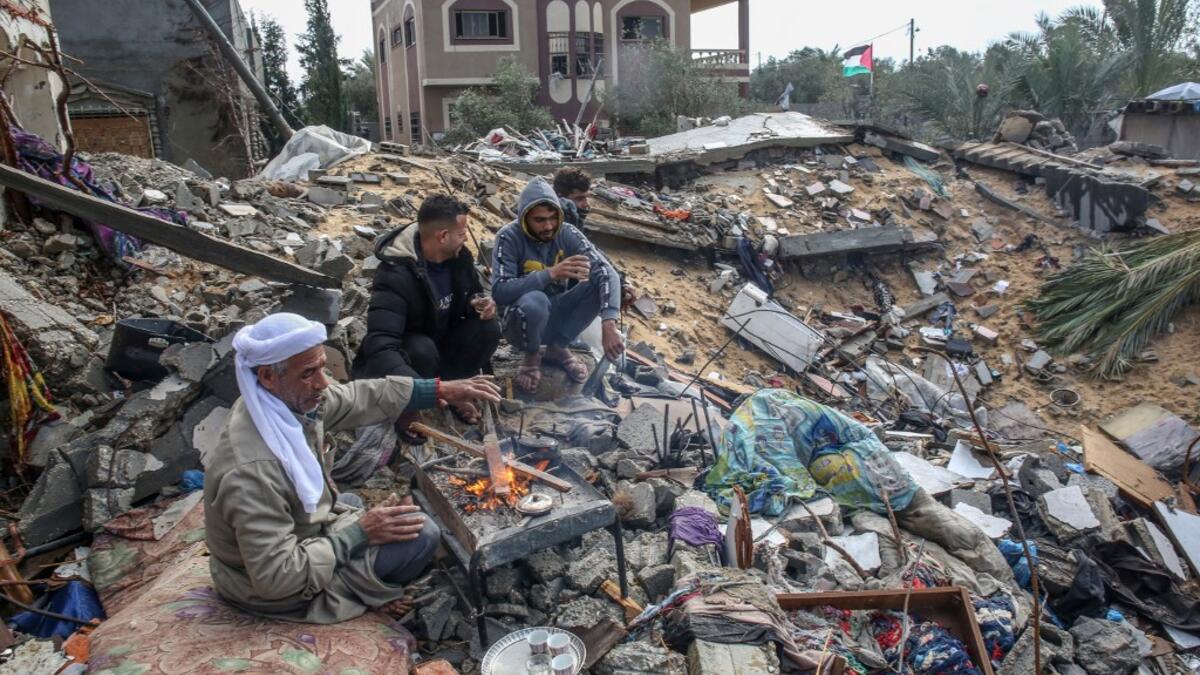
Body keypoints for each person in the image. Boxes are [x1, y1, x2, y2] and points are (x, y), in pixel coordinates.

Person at [205, 312, 501, 624]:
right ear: (267, 376)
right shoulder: (253, 472)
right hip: (268, 592)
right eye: (308, 373)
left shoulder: (280, 402)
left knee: (350, 504)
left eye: (322, 367)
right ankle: (355, 593)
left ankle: (355, 571)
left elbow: (355, 397)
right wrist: (359, 534)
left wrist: (438, 390)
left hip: (298, 537)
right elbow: (276, 579)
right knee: (422, 532)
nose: (323, 383)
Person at [706, 389, 1013, 583]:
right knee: (924, 514)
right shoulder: (773, 403)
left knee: (921, 517)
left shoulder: (761, 420)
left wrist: (786, 491)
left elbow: (784, 474)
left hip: (856, 465)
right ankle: (995, 573)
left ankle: (992, 575)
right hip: (873, 460)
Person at [353, 195, 500, 423]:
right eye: (462, 235)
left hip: (441, 347)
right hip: (411, 359)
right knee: (421, 348)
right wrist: (431, 390)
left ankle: (455, 390)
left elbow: (470, 293)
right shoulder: (396, 273)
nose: (465, 240)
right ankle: (419, 403)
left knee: (487, 328)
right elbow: (380, 346)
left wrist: (477, 302)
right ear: (442, 236)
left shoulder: (459, 257)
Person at [492, 177, 624, 393]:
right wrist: (550, 274)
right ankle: (532, 355)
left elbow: (605, 270)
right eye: (540, 220)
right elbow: (500, 291)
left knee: (594, 282)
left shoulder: (566, 232)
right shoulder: (508, 237)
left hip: (555, 316)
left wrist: (609, 322)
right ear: (525, 218)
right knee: (535, 300)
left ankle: (557, 347)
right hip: (519, 324)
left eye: (553, 218)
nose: (548, 226)